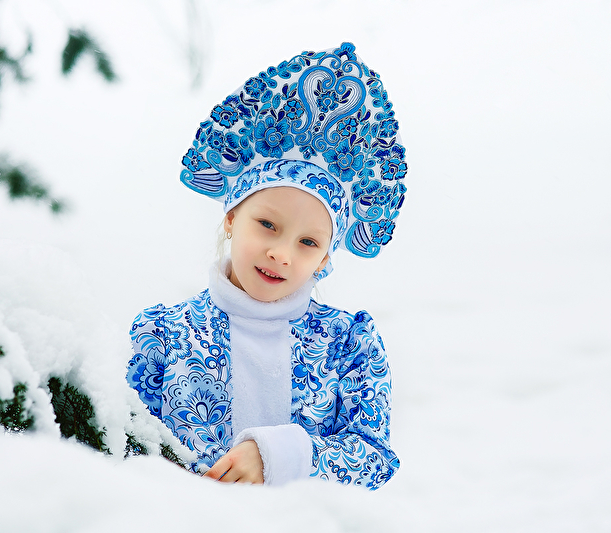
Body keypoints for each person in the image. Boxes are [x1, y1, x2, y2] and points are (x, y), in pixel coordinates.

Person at [126, 42, 407, 488]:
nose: (282, 253)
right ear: (232, 217)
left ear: (325, 257)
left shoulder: (348, 344)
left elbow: (373, 460)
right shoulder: (162, 334)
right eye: (268, 225)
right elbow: (123, 448)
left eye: (308, 242)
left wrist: (278, 456)